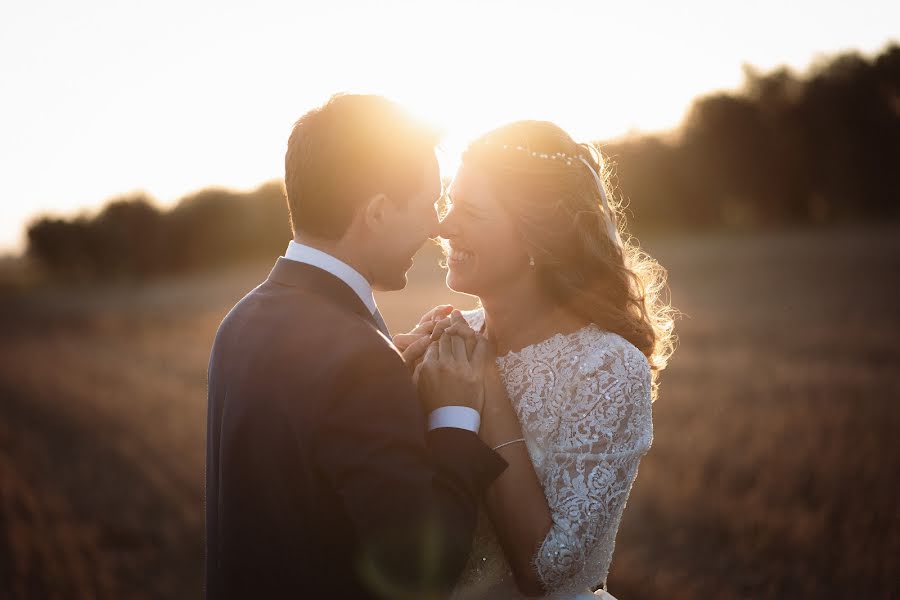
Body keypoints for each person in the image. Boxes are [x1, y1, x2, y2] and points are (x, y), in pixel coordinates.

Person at [204, 94, 508, 600]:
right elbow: (422, 570)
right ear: (380, 212)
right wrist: (453, 416)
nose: (437, 225)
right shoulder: (360, 360)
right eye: (429, 202)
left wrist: (390, 365)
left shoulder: (241, 321)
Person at [397, 120, 676, 599]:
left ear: (535, 237)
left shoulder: (607, 368)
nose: (444, 226)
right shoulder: (448, 333)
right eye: (449, 204)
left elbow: (547, 574)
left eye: (472, 211)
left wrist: (488, 389)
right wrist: (393, 378)